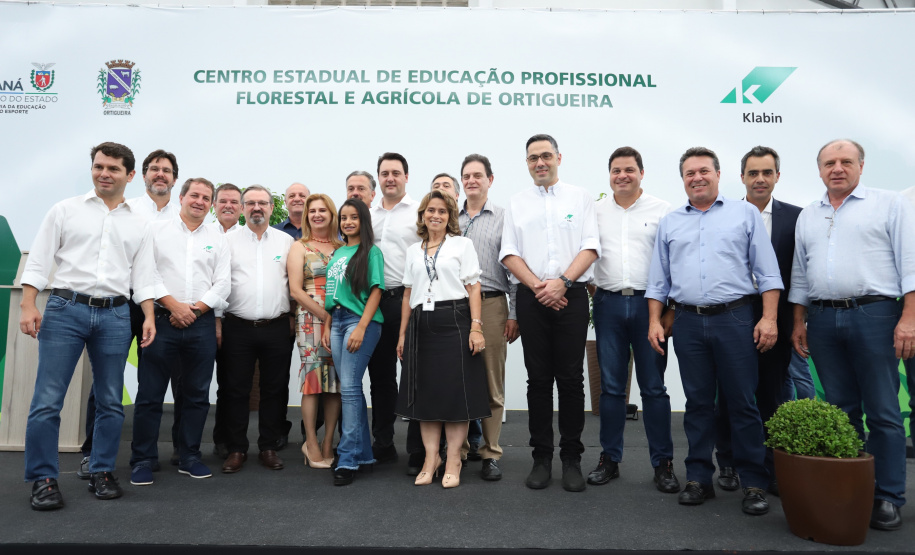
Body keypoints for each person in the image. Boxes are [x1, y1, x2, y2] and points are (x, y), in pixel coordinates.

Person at [646, 146, 782, 516]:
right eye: (690, 173)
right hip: (687, 322)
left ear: (718, 175)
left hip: (735, 319)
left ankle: (753, 482)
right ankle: (699, 479)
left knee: (742, 403)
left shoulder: (744, 214)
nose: (697, 178)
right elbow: (658, 281)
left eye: (703, 171)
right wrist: (655, 321)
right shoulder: (671, 223)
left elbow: (768, 273)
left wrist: (769, 319)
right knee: (698, 405)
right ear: (683, 180)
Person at [20, 141, 156, 510]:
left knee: (110, 400)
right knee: (48, 400)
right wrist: (29, 304)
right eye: (99, 166)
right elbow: (39, 261)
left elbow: (144, 276)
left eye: (113, 168)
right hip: (65, 309)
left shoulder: (140, 223)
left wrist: (148, 315)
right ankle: (43, 479)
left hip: (115, 314)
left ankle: (102, 470)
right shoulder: (65, 210)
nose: (104, 173)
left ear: (129, 175)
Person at [790, 139, 915, 531]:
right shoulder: (809, 214)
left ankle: (888, 496)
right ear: (819, 169)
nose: (837, 168)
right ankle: (849, 489)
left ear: (861, 165)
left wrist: (908, 318)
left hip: (875, 314)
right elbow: (799, 273)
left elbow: (910, 263)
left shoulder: (889, 204)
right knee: (841, 410)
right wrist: (798, 321)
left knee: (883, 411)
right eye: (829, 163)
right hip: (823, 319)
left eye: (846, 161)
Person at [500, 134, 600, 493]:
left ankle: (571, 459)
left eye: (545, 155)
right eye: (533, 158)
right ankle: (541, 458)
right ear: (527, 163)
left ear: (559, 157)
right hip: (533, 297)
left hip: (571, 296)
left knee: (571, 380)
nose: (540, 162)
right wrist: (541, 288)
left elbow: (591, 246)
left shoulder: (580, 197)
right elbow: (509, 253)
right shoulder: (516, 202)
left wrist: (562, 282)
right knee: (538, 380)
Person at [79, 148, 183, 476]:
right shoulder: (126, 209)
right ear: (142, 175)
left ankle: (162, 453)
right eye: (154, 169)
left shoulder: (183, 217)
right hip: (122, 305)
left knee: (155, 385)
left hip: (162, 310)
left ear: (175, 179)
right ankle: (92, 452)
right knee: (106, 381)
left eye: (166, 170)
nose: (160, 175)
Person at [588, 146, 679, 493]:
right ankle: (609, 459)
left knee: (653, 388)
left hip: (649, 307)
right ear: (609, 175)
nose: (622, 175)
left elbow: (674, 261)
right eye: (616, 170)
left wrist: (671, 310)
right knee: (611, 388)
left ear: (642, 173)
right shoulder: (595, 211)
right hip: (608, 305)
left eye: (629, 169)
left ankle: (663, 464)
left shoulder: (662, 211)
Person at [129, 177, 230, 485]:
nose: (199, 201)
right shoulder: (155, 230)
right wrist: (175, 307)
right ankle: (143, 459)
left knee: (197, 395)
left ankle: (189, 456)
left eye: (206, 198)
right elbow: (146, 273)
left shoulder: (217, 237)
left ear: (210, 204)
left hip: (201, 323)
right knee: (150, 394)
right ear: (182, 197)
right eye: (194, 195)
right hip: (161, 321)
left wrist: (194, 311)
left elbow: (223, 283)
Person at [714, 146, 802, 495]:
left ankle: (770, 466)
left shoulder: (796, 218)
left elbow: (800, 273)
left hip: (776, 317)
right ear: (742, 178)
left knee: (771, 394)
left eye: (767, 172)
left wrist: (792, 320)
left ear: (777, 176)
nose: (760, 179)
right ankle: (728, 463)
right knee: (730, 395)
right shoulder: (724, 214)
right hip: (731, 313)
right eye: (753, 173)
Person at [396, 190, 490, 489]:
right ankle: (431, 459)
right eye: (430, 210)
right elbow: (407, 293)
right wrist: (402, 333)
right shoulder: (414, 250)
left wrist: (476, 327)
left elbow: (473, 287)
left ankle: (453, 461)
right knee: (426, 395)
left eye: (442, 211)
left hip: (455, 321)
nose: (435, 215)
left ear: (449, 216)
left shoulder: (462, 245)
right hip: (420, 325)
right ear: (422, 214)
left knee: (454, 395)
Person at [220, 185, 296, 474]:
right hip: (237, 326)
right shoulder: (228, 241)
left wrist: (292, 317)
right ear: (242, 208)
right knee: (235, 389)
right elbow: (219, 282)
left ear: (271, 207)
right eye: (250, 203)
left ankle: (268, 446)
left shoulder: (286, 241)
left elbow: (294, 283)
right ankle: (236, 448)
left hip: (276, 326)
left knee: (274, 389)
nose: (256, 207)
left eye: (262, 203)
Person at [458, 154, 519, 480]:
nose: (471, 180)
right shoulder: (450, 218)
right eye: (466, 176)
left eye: (477, 175)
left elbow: (514, 268)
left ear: (490, 180)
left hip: (493, 305)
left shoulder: (504, 218)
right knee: (458, 381)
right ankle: (458, 451)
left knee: (491, 383)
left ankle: (490, 453)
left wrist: (514, 313)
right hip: (455, 307)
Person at [322, 198, 385, 486]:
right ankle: (363, 455)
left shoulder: (371, 252)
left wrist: (361, 327)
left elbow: (376, 291)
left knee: (348, 388)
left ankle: (347, 458)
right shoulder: (338, 253)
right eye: (344, 217)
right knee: (350, 389)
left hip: (360, 322)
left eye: (354, 217)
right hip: (336, 321)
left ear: (363, 221)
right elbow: (332, 292)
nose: (348, 222)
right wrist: (327, 325)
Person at [368, 153, 420, 467]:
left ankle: (418, 450)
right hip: (375, 302)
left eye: (396, 173)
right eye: (385, 173)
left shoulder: (418, 212)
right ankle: (383, 443)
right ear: (379, 177)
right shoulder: (368, 214)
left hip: (408, 301)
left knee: (415, 376)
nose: (390, 178)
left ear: (406, 177)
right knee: (381, 378)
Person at [288, 194, 343, 469]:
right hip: (311, 320)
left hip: (341, 320)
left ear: (332, 215)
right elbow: (296, 290)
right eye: (312, 211)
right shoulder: (299, 246)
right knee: (313, 383)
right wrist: (325, 316)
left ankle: (328, 442)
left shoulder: (343, 247)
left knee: (334, 385)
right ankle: (310, 442)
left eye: (323, 210)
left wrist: (335, 319)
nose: (317, 215)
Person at [211, 182, 242, 459]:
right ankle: (184, 446)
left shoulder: (247, 237)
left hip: (233, 322)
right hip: (198, 318)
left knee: (229, 385)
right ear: (214, 205)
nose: (228, 206)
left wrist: (220, 321)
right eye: (223, 201)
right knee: (189, 386)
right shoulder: (203, 234)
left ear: (241, 208)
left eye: (234, 202)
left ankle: (225, 440)